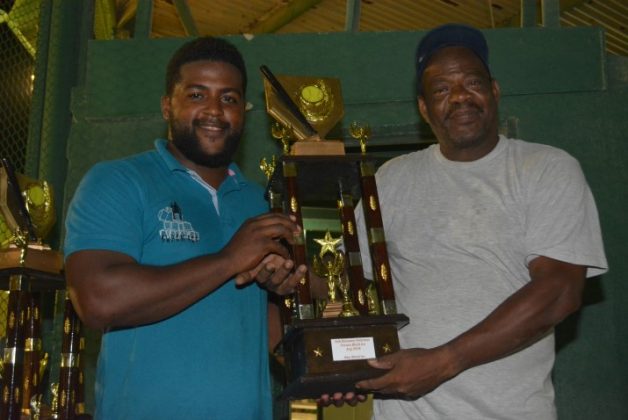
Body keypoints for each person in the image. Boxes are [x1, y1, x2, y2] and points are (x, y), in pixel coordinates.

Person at [329, 24, 607, 419]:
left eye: (472, 83)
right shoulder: (392, 179)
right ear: (424, 108)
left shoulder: (546, 168)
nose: (460, 96)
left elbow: (560, 290)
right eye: (442, 89)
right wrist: (336, 364)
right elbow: (342, 281)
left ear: (494, 91)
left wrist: (443, 361)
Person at [63, 37, 308, 419]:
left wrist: (320, 370)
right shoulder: (118, 181)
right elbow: (97, 300)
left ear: (243, 112)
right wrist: (228, 259)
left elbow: (260, 326)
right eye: (197, 95)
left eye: (229, 98)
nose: (214, 110)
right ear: (167, 106)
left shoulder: (259, 203)